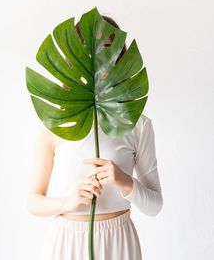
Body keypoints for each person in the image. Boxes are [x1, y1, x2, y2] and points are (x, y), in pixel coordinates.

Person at [27, 15, 163, 259]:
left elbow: (155, 206)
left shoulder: (138, 125)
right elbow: (33, 201)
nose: (98, 60)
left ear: (120, 58)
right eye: (88, 52)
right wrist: (66, 203)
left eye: (108, 50)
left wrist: (124, 181)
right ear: (75, 60)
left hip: (119, 241)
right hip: (68, 242)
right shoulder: (55, 123)